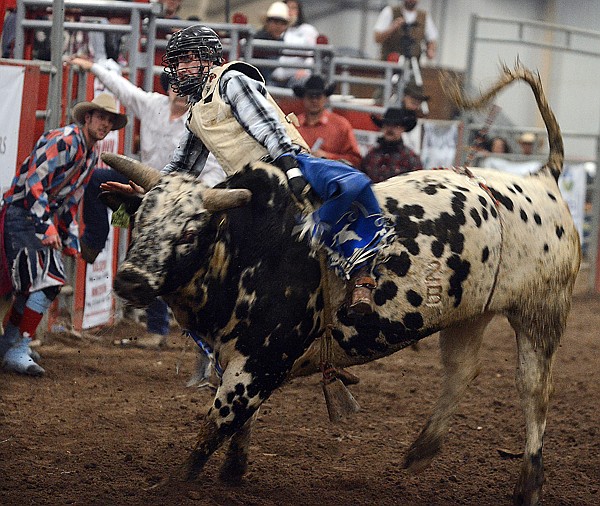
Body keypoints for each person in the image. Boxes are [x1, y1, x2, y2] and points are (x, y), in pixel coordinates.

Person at [108, 25, 394, 315]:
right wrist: (150, 192)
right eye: (177, 62)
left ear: (207, 59)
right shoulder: (195, 111)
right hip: (246, 184)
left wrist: (291, 170)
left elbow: (267, 127)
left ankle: (362, 276)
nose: (180, 69)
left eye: (186, 60)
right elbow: (182, 167)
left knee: (348, 185)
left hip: (284, 163)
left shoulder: (232, 80)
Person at [70, 57, 225, 349]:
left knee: (156, 256)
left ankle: (158, 327)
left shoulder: (199, 120)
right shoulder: (152, 104)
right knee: (96, 180)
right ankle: (95, 238)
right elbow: (124, 89)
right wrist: (92, 67)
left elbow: (213, 164)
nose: (177, 91)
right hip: (143, 187)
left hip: (173, 202)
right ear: (168, 89)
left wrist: (195, 196)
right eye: (175, 86)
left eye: (184, 87)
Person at [0, 94, 127, 375]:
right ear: (87, 118)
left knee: (35, 284)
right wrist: (47, 227)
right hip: (22, 213)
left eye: (109, 120)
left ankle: (10, 343)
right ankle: (17, 347)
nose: (105, 124)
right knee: (47, 281)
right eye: (101, 117)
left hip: (31, 215)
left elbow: (72, 198)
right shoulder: (66, 141)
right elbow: (34, 181)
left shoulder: (90, 152)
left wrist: (68, 238)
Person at [292, 75, 362, 168]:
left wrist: (327, 157)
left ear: (325, 98)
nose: (314, 100)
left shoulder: (341, 125)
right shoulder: (293, 125)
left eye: (318, 96)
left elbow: (355, 160)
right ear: (303, 98)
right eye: (310, 96)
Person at [360, 106, 423, 183]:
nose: (390, 129)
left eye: (395, 126)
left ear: (403, 129)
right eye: (387, 125)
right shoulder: (371, 156)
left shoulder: (411, 158)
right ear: (382, 127)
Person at [373, 0, 438, 62]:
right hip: (390, 63)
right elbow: (377, 38)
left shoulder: (424, 16)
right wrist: (392, 27)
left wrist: (430, 50)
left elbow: (431, 39)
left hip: (413, 63)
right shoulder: (390, 11)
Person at [253, 1, 290, 85]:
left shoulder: (281, 41)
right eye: (276, 22)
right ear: (268, 22)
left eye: (283, 23)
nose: (279, 27)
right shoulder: (259, 38)